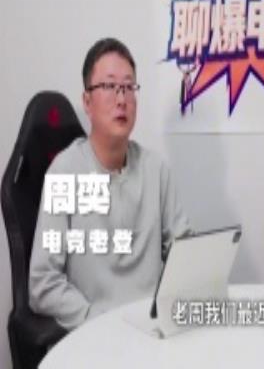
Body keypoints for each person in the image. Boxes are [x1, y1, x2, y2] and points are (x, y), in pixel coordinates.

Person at [29, 38, 190, 330]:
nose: (121, 99)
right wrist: (98, 321)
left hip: (154, 329)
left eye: (128, 87)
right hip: (97, 333)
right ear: (87, 102)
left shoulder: (156, 170)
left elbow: (185, 254)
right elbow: (43, 283)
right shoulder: (64, 174)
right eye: (109, 86)